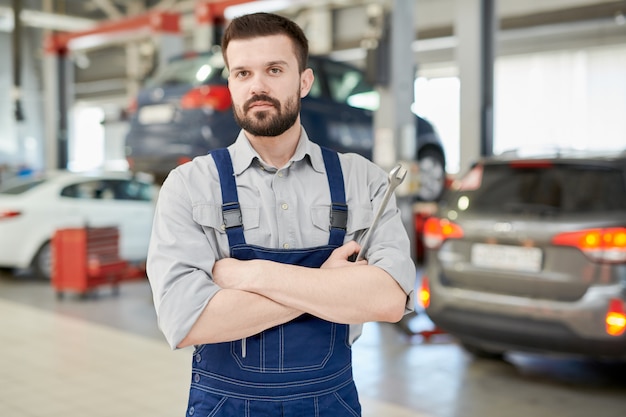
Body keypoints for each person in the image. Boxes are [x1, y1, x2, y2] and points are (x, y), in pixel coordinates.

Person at [146, 11, 415, 417]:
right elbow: (188, 321)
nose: (257, 86)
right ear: (231, 83)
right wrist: (329, 286)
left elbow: (389, 300)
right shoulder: (188, 185)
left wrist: (252, 275)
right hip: (225, 404)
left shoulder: (365, 180)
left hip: (331, 402)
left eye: (274, 69)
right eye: (242, 73)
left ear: (303, 81)